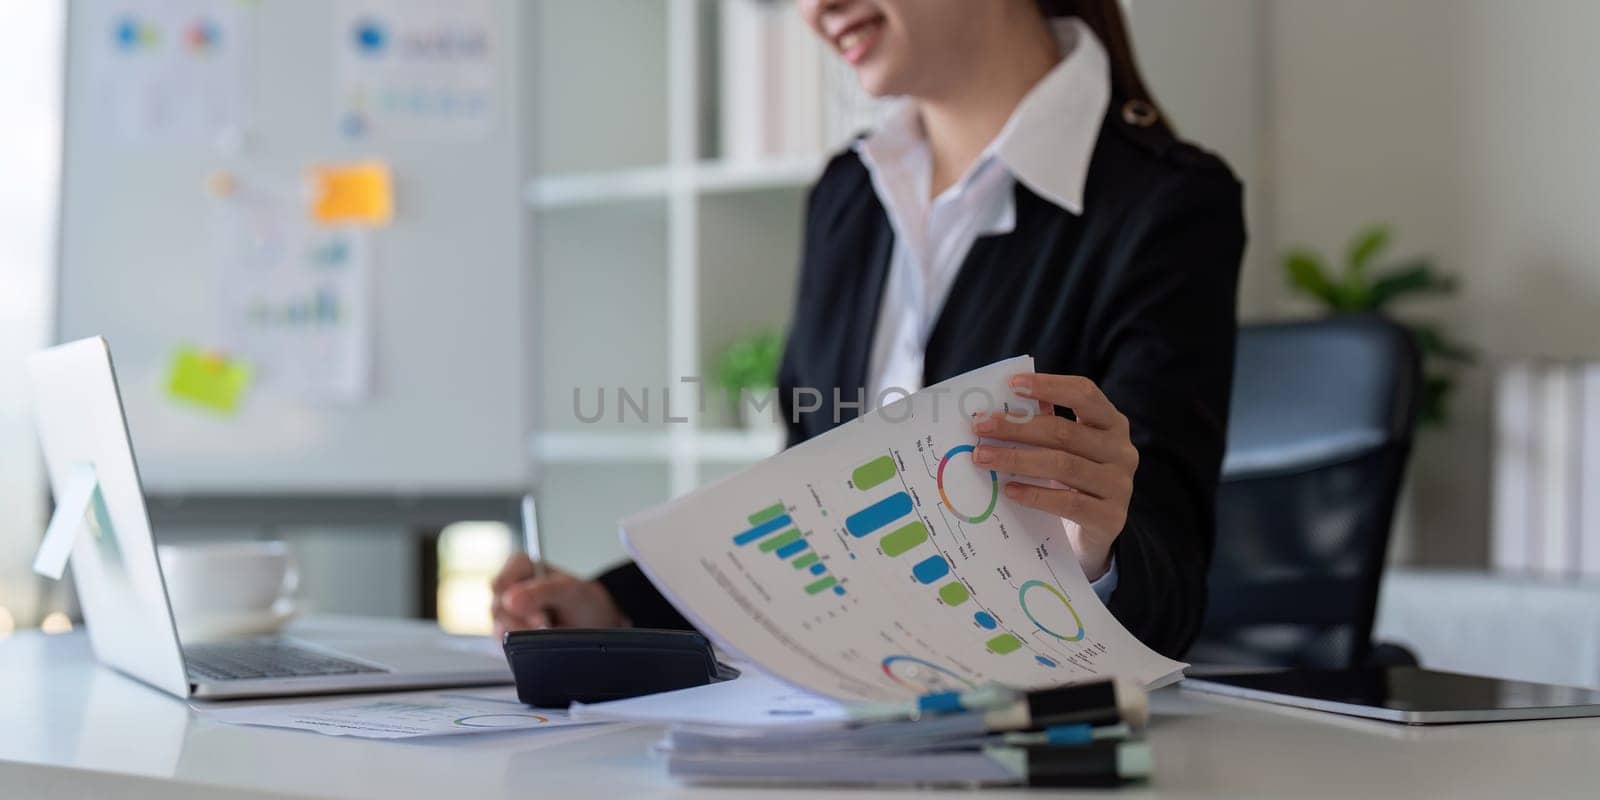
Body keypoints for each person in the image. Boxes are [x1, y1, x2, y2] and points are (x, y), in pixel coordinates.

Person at [492, 0, 1244, 659]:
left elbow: (1168, 588)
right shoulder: (848, 194)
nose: (817, 7)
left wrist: (1094, 549)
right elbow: (806, 507)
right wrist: (617, 607)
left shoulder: (1169, 204)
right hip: (844, 715)